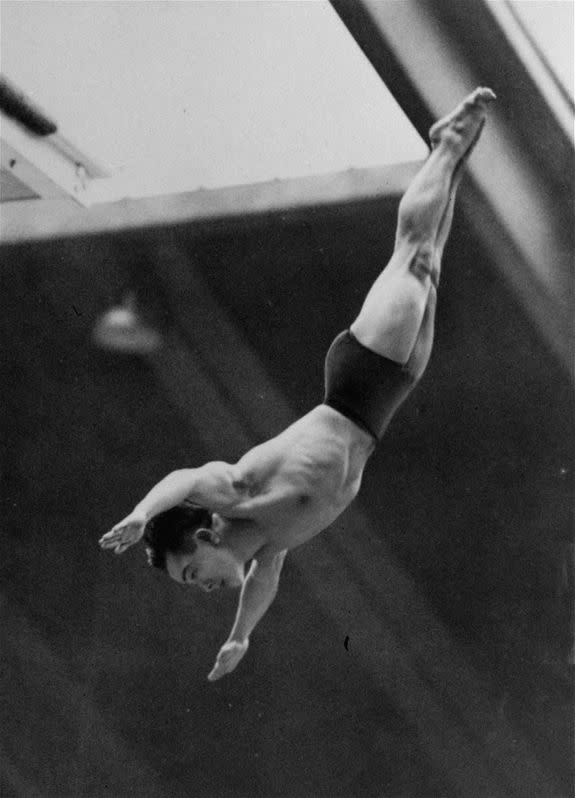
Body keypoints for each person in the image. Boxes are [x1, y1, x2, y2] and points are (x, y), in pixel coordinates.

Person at [100, 88, 496, 681]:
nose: (201, 587)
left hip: (357, 382)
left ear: (206, 535)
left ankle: (444, 146)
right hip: (385, 403)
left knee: (412, 256)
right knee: (430, 262)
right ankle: (456, 155)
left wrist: (140, 514)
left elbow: (182, 480)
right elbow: (264, 585)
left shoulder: (235, 494)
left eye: (192, 573)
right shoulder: (265, 546)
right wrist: (240, 637)